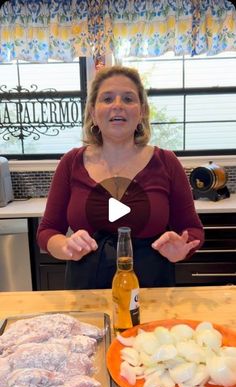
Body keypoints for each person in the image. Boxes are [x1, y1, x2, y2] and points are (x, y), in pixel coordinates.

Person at [37, 65, 204, 289]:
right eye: (107, 99)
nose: (117, 105)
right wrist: (66, 246)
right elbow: (47, 231)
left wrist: (182, 250)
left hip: (151, 289)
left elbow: (193, 230)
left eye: (128, 98)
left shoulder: (166, 162)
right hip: (87, 291)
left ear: (142, 111)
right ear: (93, 112)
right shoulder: (71, 163)